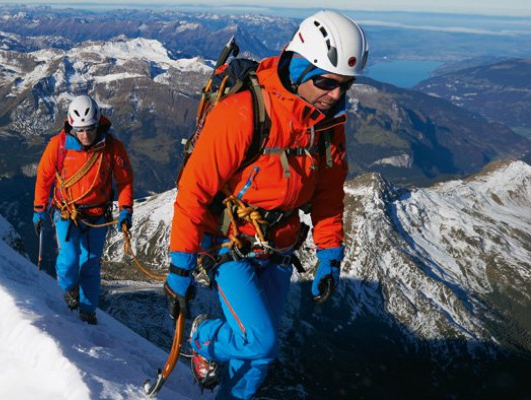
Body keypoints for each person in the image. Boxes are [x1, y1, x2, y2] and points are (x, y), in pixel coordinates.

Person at [165, 10, 368, 399]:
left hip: (279, 246)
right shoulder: (241, 114)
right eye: (326, 82)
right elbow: (194, 192)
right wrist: (181, 268)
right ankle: (205, 338)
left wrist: (330, 254)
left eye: (346, 86)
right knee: (260, 340)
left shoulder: (328, 124)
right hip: (230, 244)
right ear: (299, 68)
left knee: (259, 357)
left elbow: (328, 194)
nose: (336, 95)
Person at [33, 95, 134, 325]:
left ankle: (88, 311)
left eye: (89, 129)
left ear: (98, 123)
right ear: (71, 125)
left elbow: (125, 181)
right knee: (69, 259)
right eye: (80, 130)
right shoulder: (57, 146)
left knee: (90, 264)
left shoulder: (112, 148)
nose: (86, 135)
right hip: (67, 212)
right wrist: (39, 209)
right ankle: (68, 288)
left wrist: (126, 210)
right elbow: (44, 178)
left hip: (97, 216)